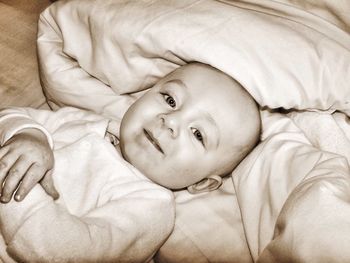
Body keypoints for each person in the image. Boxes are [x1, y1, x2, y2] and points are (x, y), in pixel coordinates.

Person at [0, 62, 261, 262]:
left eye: (198, 134)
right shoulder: (87, 122)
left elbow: (63, 252)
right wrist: (29, 135)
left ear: (203, 183)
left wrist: (14, 178)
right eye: (170, 100)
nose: (170, 120)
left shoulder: (150, 208)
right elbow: (12, 116)